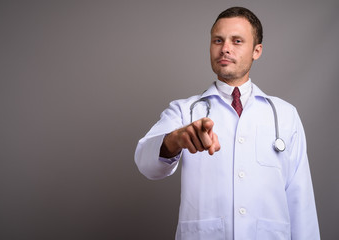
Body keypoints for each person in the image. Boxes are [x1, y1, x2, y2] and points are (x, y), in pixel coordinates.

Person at [135, 6, 320, 240]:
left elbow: (300, 200)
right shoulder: (184, 110)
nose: (225, 49)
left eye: (237, 41)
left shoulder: (285, 114)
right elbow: (146, 164)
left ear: (257, 50)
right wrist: (175, 139)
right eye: (218, 40)